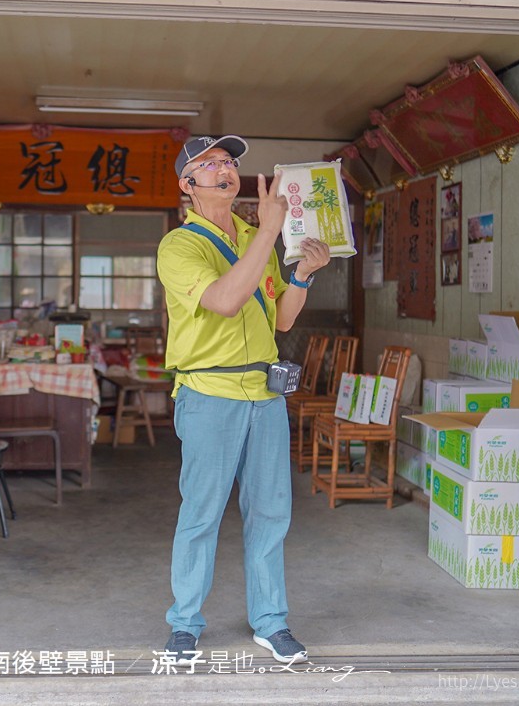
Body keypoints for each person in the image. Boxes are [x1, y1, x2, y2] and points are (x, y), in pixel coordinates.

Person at [156, 135, 331, 665]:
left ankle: (271, 622)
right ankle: (184, 624)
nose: (225, 170)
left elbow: (281, 318)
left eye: (230, 162)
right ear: (188, 185)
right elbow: (227, 301)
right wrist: (272, 232)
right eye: (209, 165)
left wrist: (301, 273)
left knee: (271, 513)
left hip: (265, 394)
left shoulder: (257, 234)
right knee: (202, 514)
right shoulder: (181, 246)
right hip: (209, 393)